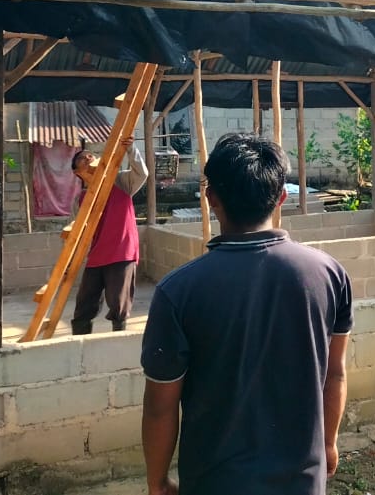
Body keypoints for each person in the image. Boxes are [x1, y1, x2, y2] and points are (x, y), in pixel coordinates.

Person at [141, 134, 352, 495]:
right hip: (301, 479)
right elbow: (334, 373)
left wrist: (157, 481)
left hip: (214, 481)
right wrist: (328, 442)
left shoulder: (178, 291)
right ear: (281, 197)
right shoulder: (329, 274)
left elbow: (162, 406)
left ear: (211, 198)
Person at [68, 136, 148, 335]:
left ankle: (117, 342)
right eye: (82, 159)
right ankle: (80, 343)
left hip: (122, 251)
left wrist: (131, 150)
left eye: (90, 155)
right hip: (97, 254)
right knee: (84, 304)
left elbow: (142, 173)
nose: (88, 158)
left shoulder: (119, 181)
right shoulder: (82, 198)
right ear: (78, 173)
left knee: (118, 305)